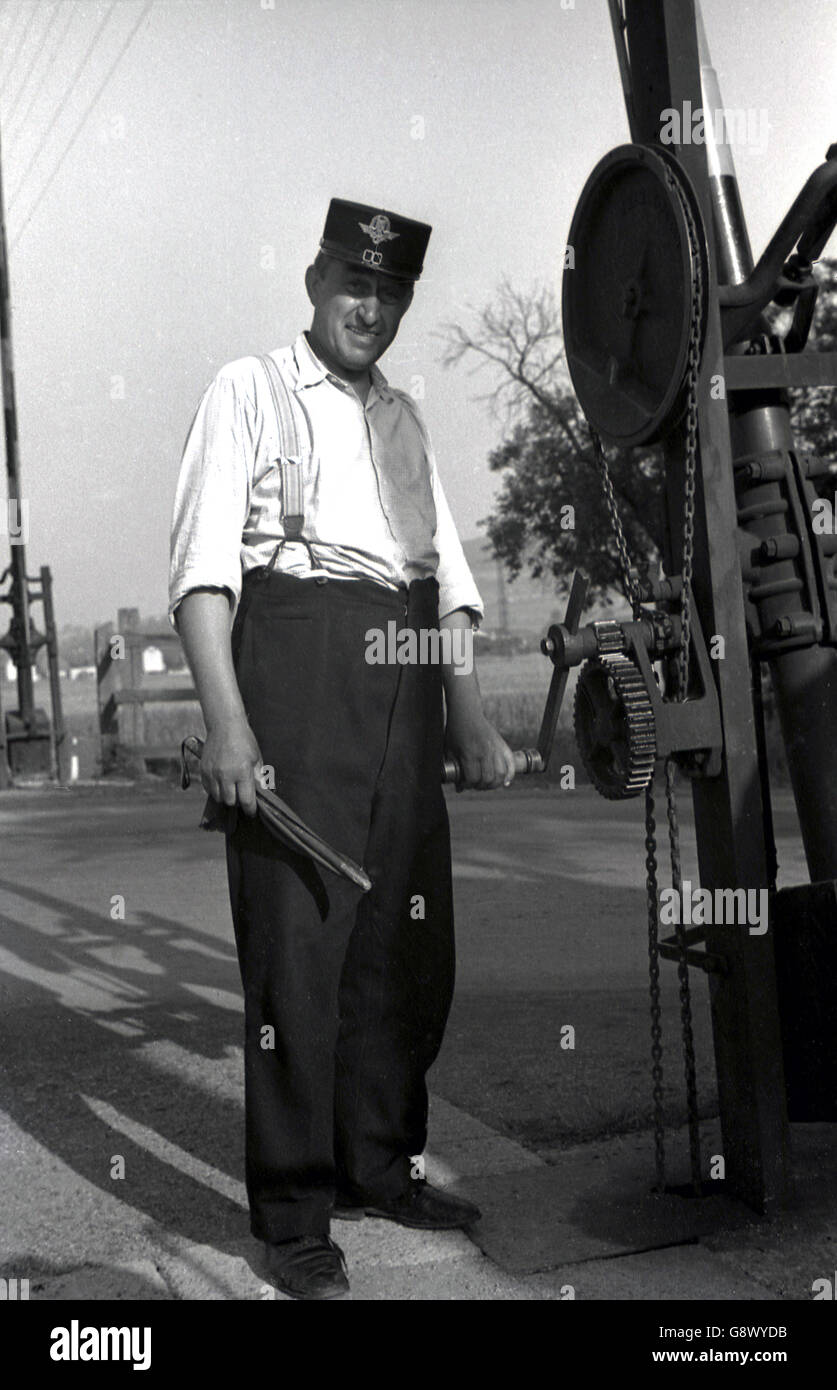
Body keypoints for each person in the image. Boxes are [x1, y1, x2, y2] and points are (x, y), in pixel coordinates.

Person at [169, 198, 515, 1299]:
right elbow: (202, 570)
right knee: (299, 956)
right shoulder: (249, 389)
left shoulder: (404, 419)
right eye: (354, 284)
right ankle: (294, 1217)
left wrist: (469, 713)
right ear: (316, 281)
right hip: (298, 657)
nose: (370, 307)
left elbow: (443, 578)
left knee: (404, 950)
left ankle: (377, 1164)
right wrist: (230, 722)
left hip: (405, 676)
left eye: (391, 293)